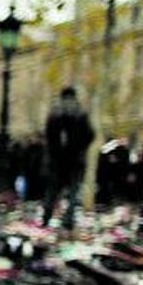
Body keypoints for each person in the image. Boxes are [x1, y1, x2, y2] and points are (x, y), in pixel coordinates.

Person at [42, 87, 94, 230]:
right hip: (75, 160)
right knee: (73, 191)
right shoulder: (81, 112)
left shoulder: (54, 113)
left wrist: (54, 151)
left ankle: (46, 217)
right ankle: (68, 220)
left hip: (57, 160)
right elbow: (90, 134)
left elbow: (48, 135)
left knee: (52, 191)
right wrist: (80, 147)